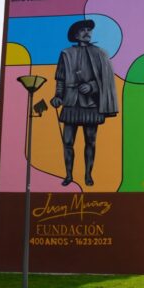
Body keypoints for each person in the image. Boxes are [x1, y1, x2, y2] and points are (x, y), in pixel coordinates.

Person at [50, 19, 119, 186]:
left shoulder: (100, 53)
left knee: (90, 141)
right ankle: (68, 175)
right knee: (67, 142)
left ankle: (88, 175)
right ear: (75, 35)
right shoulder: (66, 53)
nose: (87, 32)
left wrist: (92, 86)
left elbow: (106, 79)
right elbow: (60, 78)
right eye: (83, 30)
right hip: (71, 103)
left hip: (90, 104)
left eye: (89, 30)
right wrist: (58, 96)